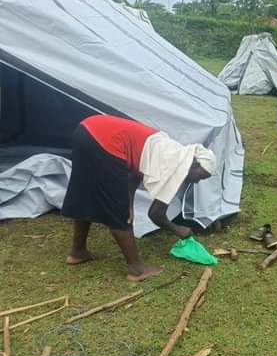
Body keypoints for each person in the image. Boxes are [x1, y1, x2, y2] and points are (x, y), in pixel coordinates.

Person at [61, 115, 216, 282]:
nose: (197, 181)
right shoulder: (175, 166)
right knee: (117, 212)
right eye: (200, 176)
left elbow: (134, 171)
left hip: (87, 129)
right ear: (194, 164)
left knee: (87, 195)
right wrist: (177, 229)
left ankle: (78, 252)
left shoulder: (172, 151)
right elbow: (156, 213)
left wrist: (129, 202)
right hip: (107, 141)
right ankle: (137, 269)